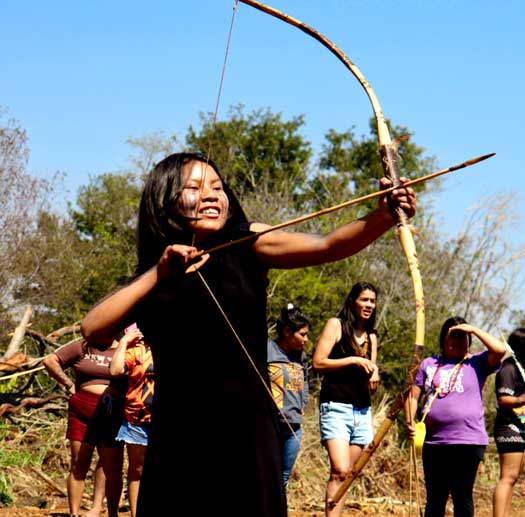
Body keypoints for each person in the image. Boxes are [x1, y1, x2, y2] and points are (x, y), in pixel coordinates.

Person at [79, 152, 416, 517]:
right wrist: (158, 274)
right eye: (194, 188)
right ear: (166, 201)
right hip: (179, 433)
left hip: (247, 428)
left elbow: (327, 245)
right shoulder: (158, 273)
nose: (211, 195)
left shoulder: (247, 241)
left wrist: (384, 215)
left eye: (217, 187)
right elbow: (92, 328)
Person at [405, 317, 506, 517]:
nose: (457, 342)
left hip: (468, 442)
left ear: (469, 341)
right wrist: (409, 421)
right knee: (435, 497)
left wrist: (474, 329)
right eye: (453, 336)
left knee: (462, 495)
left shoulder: (477, 362)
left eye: (463, 337)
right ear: (443, 339)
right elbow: (413, 396)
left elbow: (500, 350)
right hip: (434, 442)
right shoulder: (429, 363)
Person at [313, 282, 380, 517]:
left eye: (372, 301)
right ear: (352, 301)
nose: (369, 305)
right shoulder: (336, 325)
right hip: (336, 406)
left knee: (348, 475)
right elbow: (318, 362)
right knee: (339, 470)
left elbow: (371, 368)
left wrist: (375, 374)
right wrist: (352, 360)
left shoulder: (372, 335)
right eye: (364, 300)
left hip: (362, 411)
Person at [43, 336, 124, 517]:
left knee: (112, 466)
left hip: (112, 411)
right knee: (79, 463)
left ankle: (111, 512)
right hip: (82, 410)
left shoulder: (125, 347)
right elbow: (49, 361)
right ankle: (74, 513)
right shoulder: (82, 346)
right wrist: (68, 383)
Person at [492, 327, 525, 517]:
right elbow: (503, 398)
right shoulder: (509, 368)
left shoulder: (524, 370)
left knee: (513, 478)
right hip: (508, 428)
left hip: (524, 427)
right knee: (507, 477)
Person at [108, 323, 153, 517]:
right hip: (138, 417)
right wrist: (124, 342)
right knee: (137, 471)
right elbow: (115, 371)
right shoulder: (136, 350)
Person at [267, 303, 311, 492]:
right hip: (270, 425)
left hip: (294, 427)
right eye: (302, 334)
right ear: (287, 331)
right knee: (267, 475)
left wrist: (303, 402)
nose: (306, 339)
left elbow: (305, 379)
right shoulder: (267, 350)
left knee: (283, 479)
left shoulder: (301, 356)